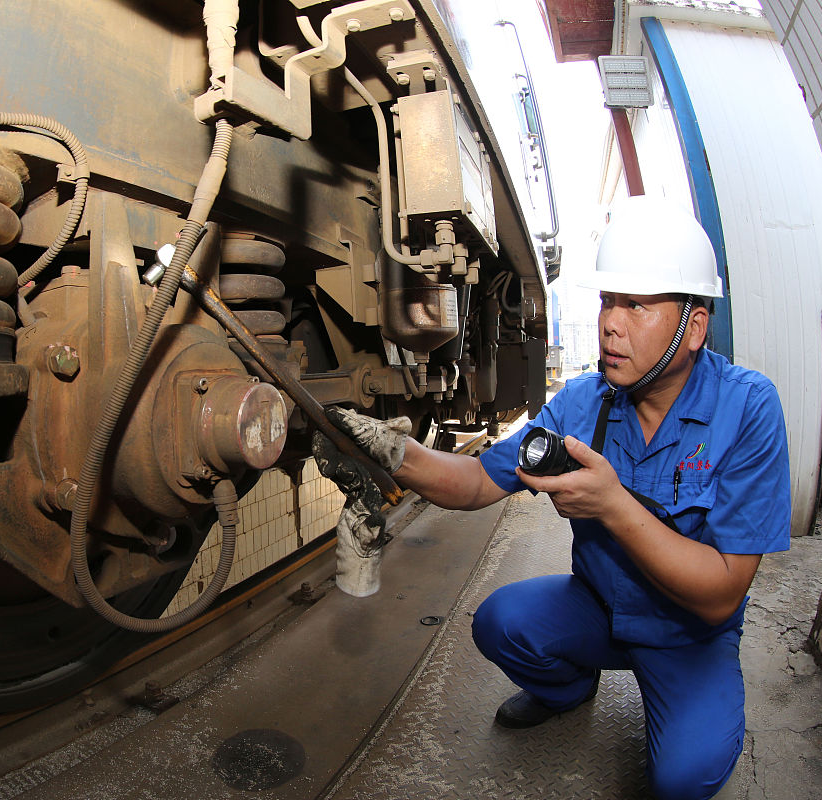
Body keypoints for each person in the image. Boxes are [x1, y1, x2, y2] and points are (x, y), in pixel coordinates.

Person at [320, 197, 791, 800]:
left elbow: (723, 591)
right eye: (606, 301)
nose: (611, 324)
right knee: (500, 623)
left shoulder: (748, 408)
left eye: (638, 306)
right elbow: (477, 484)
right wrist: (393, 452)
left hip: (688, 634)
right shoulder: (583, 403)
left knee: (682, 780)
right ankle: (569, 689)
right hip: (599, 610)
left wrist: (613, 505)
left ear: (693, 327)